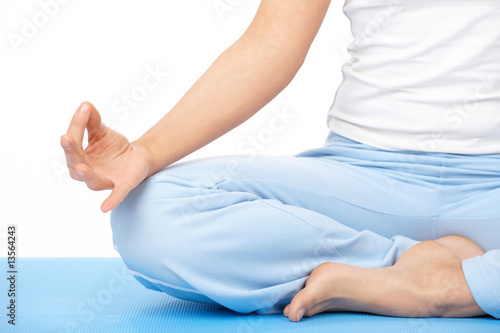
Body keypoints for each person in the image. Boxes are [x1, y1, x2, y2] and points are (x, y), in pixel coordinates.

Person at [61, 0, 500, 322]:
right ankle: (410, 265)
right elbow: (270, 41)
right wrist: (146, 152)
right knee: (148, 215)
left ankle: (452, 283)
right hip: (364, 179)